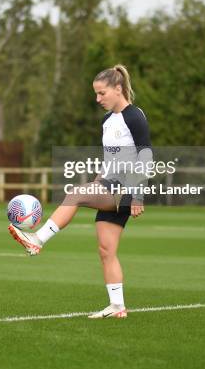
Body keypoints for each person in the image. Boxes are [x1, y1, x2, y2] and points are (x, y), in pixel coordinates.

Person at [8, 64, 152, 319]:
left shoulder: (134, 116)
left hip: (127, 188)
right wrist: (98, 181)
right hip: (110, 184)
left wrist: (138, 196)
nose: (98, 99)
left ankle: (37, 240)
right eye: (95, 94)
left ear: (118, 89)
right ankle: (117, 307)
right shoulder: (107, 121)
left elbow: (145, 154)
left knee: (75, 193)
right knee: (106, 251)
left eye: (102, 93)